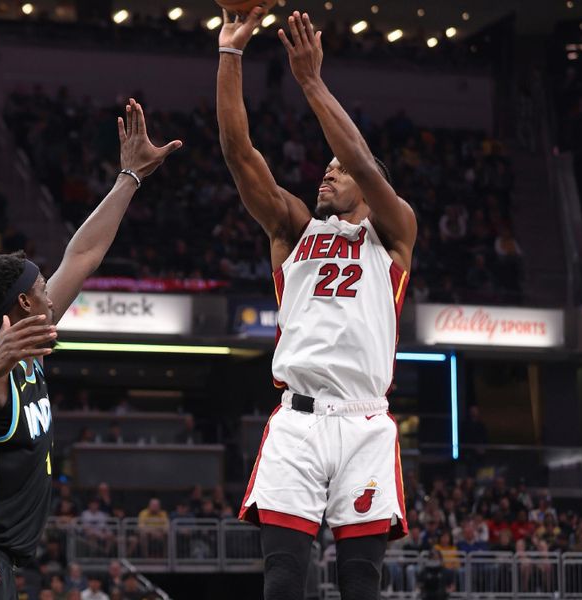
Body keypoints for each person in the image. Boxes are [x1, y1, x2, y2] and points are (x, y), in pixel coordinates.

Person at [0, 100, 182, 599]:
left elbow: (83, 255)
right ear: (25, 302)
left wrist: (129, 177)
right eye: (44, 287)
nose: (53, 292)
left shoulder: (28, 345)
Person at [217, 9, 416, 600]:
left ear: (371, 186)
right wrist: (231, 54)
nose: (327, 173)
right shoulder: (294, 229)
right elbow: (238, 152)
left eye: (339, 171)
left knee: (361, 582)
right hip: (299, 422)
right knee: (282, 579)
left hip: (365, 421)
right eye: (324, 168)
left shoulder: (395, 233)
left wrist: (311, 82)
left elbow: (356, 157)